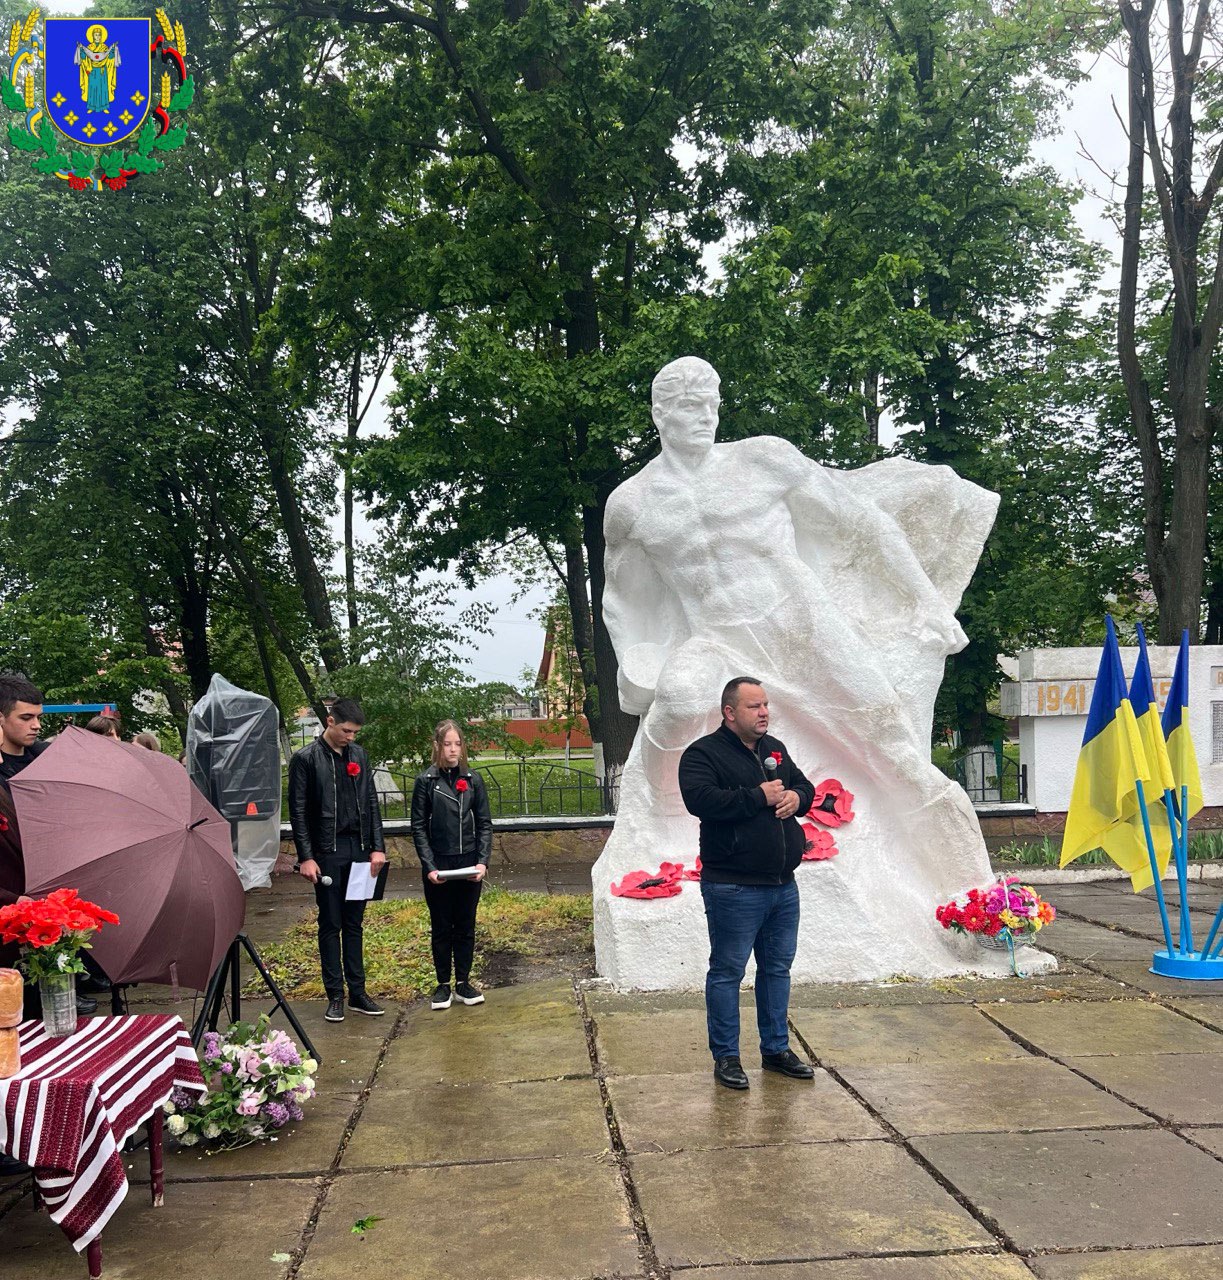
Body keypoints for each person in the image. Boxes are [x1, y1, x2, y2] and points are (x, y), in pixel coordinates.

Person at [678, 677, 816, 1090]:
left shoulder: (775, 749)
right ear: (729, 712)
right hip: (733, 887)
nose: (764, 712)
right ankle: (727, 1057)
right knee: (727, 972)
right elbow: (701, 801)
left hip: (782, 886)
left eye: (766, 705)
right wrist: (759, 796)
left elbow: (805, 786)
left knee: (776, 970)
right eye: (754, 706)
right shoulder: (703, 753)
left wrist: (797, 798)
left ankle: (775, 1050)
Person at [0, 673, 98, 1017]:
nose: (36, 725)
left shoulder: (46, 760)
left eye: (39, 717)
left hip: (52, 888)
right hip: (11, 901)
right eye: (26, 717)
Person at [288, 697, 387, 1023]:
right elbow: (298, 812)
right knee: (331, 923)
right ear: (330, 721)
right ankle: (335, 995)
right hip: (328, 852)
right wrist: (306, 857)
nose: (351, 737)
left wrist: (377, 847)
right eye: (346, 730)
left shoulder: (359, 755)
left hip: (360, 850)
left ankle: (358, 993)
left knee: (354, 923)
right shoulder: (306, 759)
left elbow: (371, 802)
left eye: (355, 732)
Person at [411, 720, 492, 1010]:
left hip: (468, 862)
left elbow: (484, 824)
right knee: (442, 925)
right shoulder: (426, 781)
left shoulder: (473, 780)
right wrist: (429, 865)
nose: (453, 749)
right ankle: (443, 984)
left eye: (458, 744)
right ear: (437, 746)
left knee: (466, 924)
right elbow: (418, 827)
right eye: (447, 744)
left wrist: (481, 862)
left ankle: (463, 983)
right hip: (439, 864)